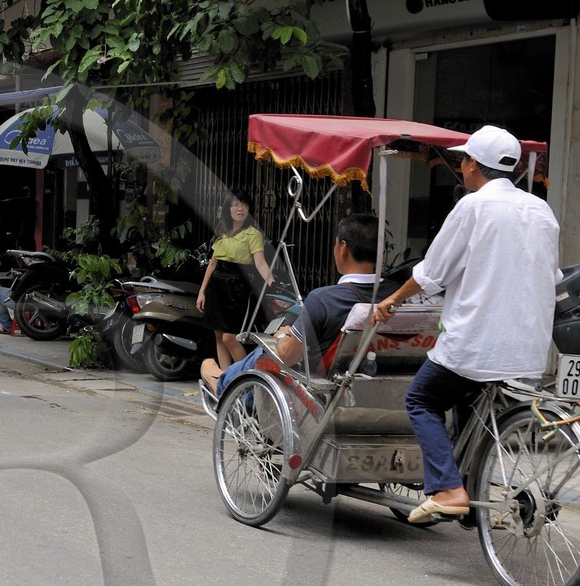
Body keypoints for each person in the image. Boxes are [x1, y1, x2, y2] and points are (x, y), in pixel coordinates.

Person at [369, 125, 560, 524]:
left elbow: (432, 274)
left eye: (464, 160)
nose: (462, 166)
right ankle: (473, 500)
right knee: (470, 402)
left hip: (475, 344)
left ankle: (449, 489)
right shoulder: (540, 209)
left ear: (472, 164)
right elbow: (551, 276)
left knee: (421, 399)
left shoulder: (473, 207)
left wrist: (391, 299)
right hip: (528, 349)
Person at [201, 213, 382, 399]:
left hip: (320, 386)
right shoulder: (395, 297)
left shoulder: (323, 299)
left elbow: (288, 356)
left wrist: (283, 335)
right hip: (376, 384)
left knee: (267, 349)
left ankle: (222, 382)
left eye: (336, 243)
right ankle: (224, 378)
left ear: (342, 248)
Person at [196, 188, 274, 370]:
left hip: (236, 287)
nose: (240, 209)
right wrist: (201, 292)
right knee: (218, 335)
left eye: (245, 205)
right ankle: (226, 378)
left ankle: (243, 377)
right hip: (216, 287)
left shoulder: (253, 234)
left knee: (229, 337)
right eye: (236, 205)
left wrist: (272, 282)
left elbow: (260, 263)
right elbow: (212, 264)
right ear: (228, 209)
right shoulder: (221, 231)